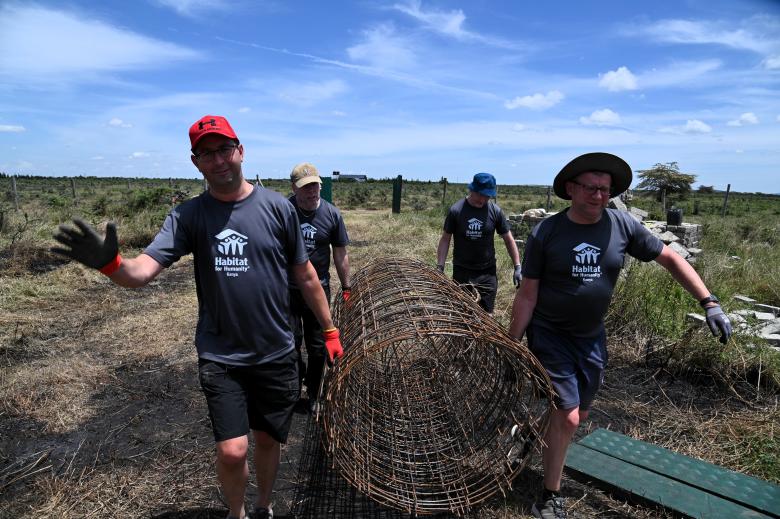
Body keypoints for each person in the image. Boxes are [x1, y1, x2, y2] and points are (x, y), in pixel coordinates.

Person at [52, 115, 344, 519]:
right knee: (232, 449)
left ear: (241, 151)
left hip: (276, 351)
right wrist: (111, 264)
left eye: (225, 149)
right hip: (221, 354)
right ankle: (237, 512)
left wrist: (328, 329)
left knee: (267, 439)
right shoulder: (188, 216)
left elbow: (306, 274)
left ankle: (264, 505)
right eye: (207, 153)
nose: (219, 160)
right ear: (195, 162)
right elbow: (141, 273)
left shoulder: (279, 208)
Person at [508, 152, 732, 519]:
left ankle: (534, 433)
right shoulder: (546, 232)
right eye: (591, 189)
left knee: (576, 410)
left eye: (605, 190)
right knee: (569, 416)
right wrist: (512, 343)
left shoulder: (622, 225)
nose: (599, 196)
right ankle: (549, 497)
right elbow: (528, 294)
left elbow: (672, 259)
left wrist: (709, 302)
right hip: (550, 335)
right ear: (571, 189)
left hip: (591, 338)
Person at [287, 162, 350, 411]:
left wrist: (347, 286)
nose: (312, 192)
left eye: (315, 186)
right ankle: (293, 386)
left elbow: (341, 254)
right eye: (306, 188)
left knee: (317, 346)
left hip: (318, 290)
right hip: (287, 289)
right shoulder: (283, 210)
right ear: (294, 188)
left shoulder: (332, 214)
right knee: (289, 342)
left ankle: (314, 392)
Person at [436, 172, 522, 313]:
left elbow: (508, 239)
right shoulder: (456, 211)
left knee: (487, 315)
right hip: (462, 272)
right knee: (462, 314)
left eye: (487, 196)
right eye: (480, 194)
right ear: (472, 190)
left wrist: (517, 266)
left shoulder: (495, 211)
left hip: (487, 273)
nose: (483, 199)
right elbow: (446, 239)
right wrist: (440, 266)